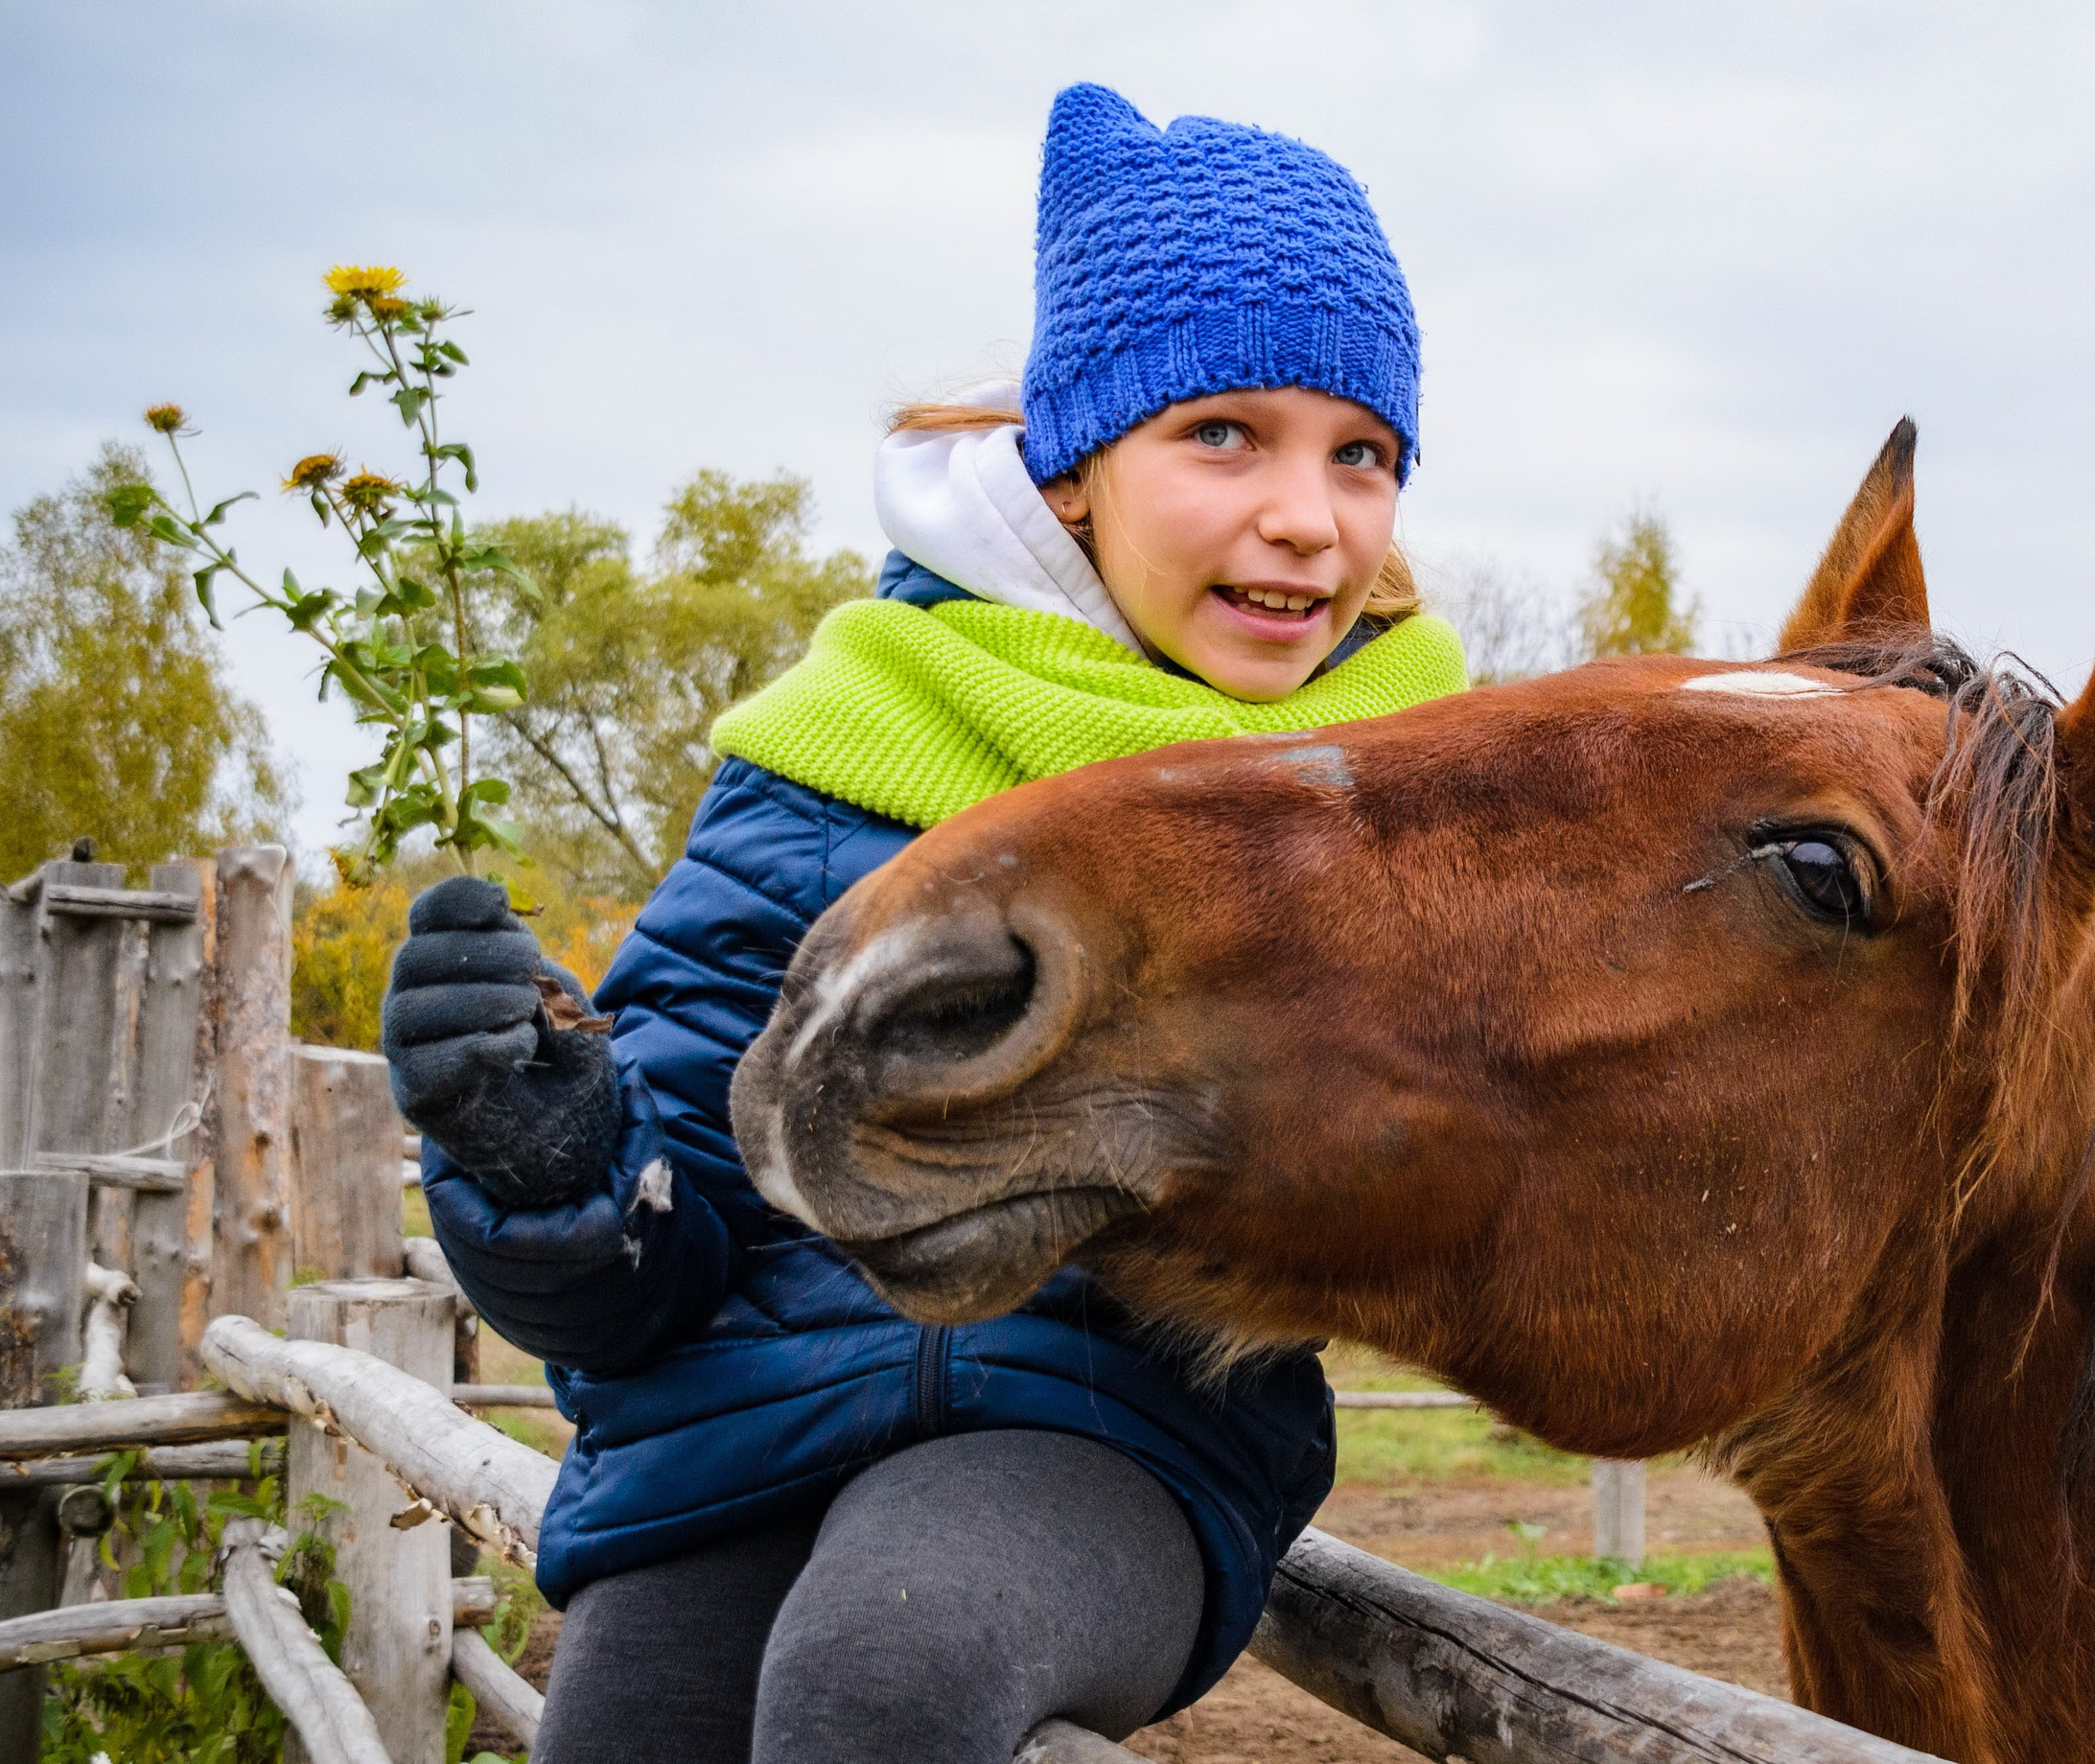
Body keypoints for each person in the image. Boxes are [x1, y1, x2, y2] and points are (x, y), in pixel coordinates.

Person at [384, 82, 1466, 1764]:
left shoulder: (1397, 799)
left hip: (1106, 1434)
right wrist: (545, 1159)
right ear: (1072, 468)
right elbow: (642, 1278)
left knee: (888, 1666)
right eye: (1223, 433)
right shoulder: (839, 751)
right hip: (726, 1433)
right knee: (620, 1729)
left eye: (1365, 455)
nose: (1310, 519)